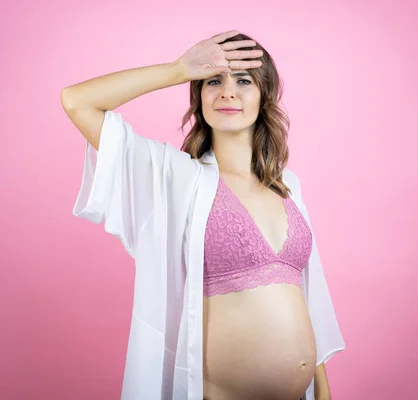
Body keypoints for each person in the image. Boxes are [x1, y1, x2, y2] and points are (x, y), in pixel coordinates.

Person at [61, 30, 345, 400]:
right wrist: (179, 69)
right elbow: (77, 101)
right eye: (214, 80)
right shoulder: (176, 178)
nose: (228, 92)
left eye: (243, 80)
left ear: (264, 96)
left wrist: (322, 393)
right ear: (199, 97)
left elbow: (304, 300)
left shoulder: (286, 186)